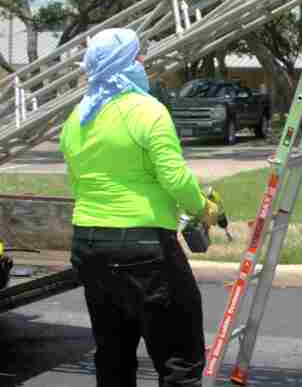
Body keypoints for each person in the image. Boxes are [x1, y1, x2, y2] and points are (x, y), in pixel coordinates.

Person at [60, 28, 220, 387]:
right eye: (135, 57)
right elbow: (176, 178)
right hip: (145, 250)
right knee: (179, 358)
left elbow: (77, 182)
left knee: (113, 356)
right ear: (122, 64)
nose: (142, 63)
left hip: (89, 247)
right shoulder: (147, 110)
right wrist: (203, 209)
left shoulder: (76, 118)